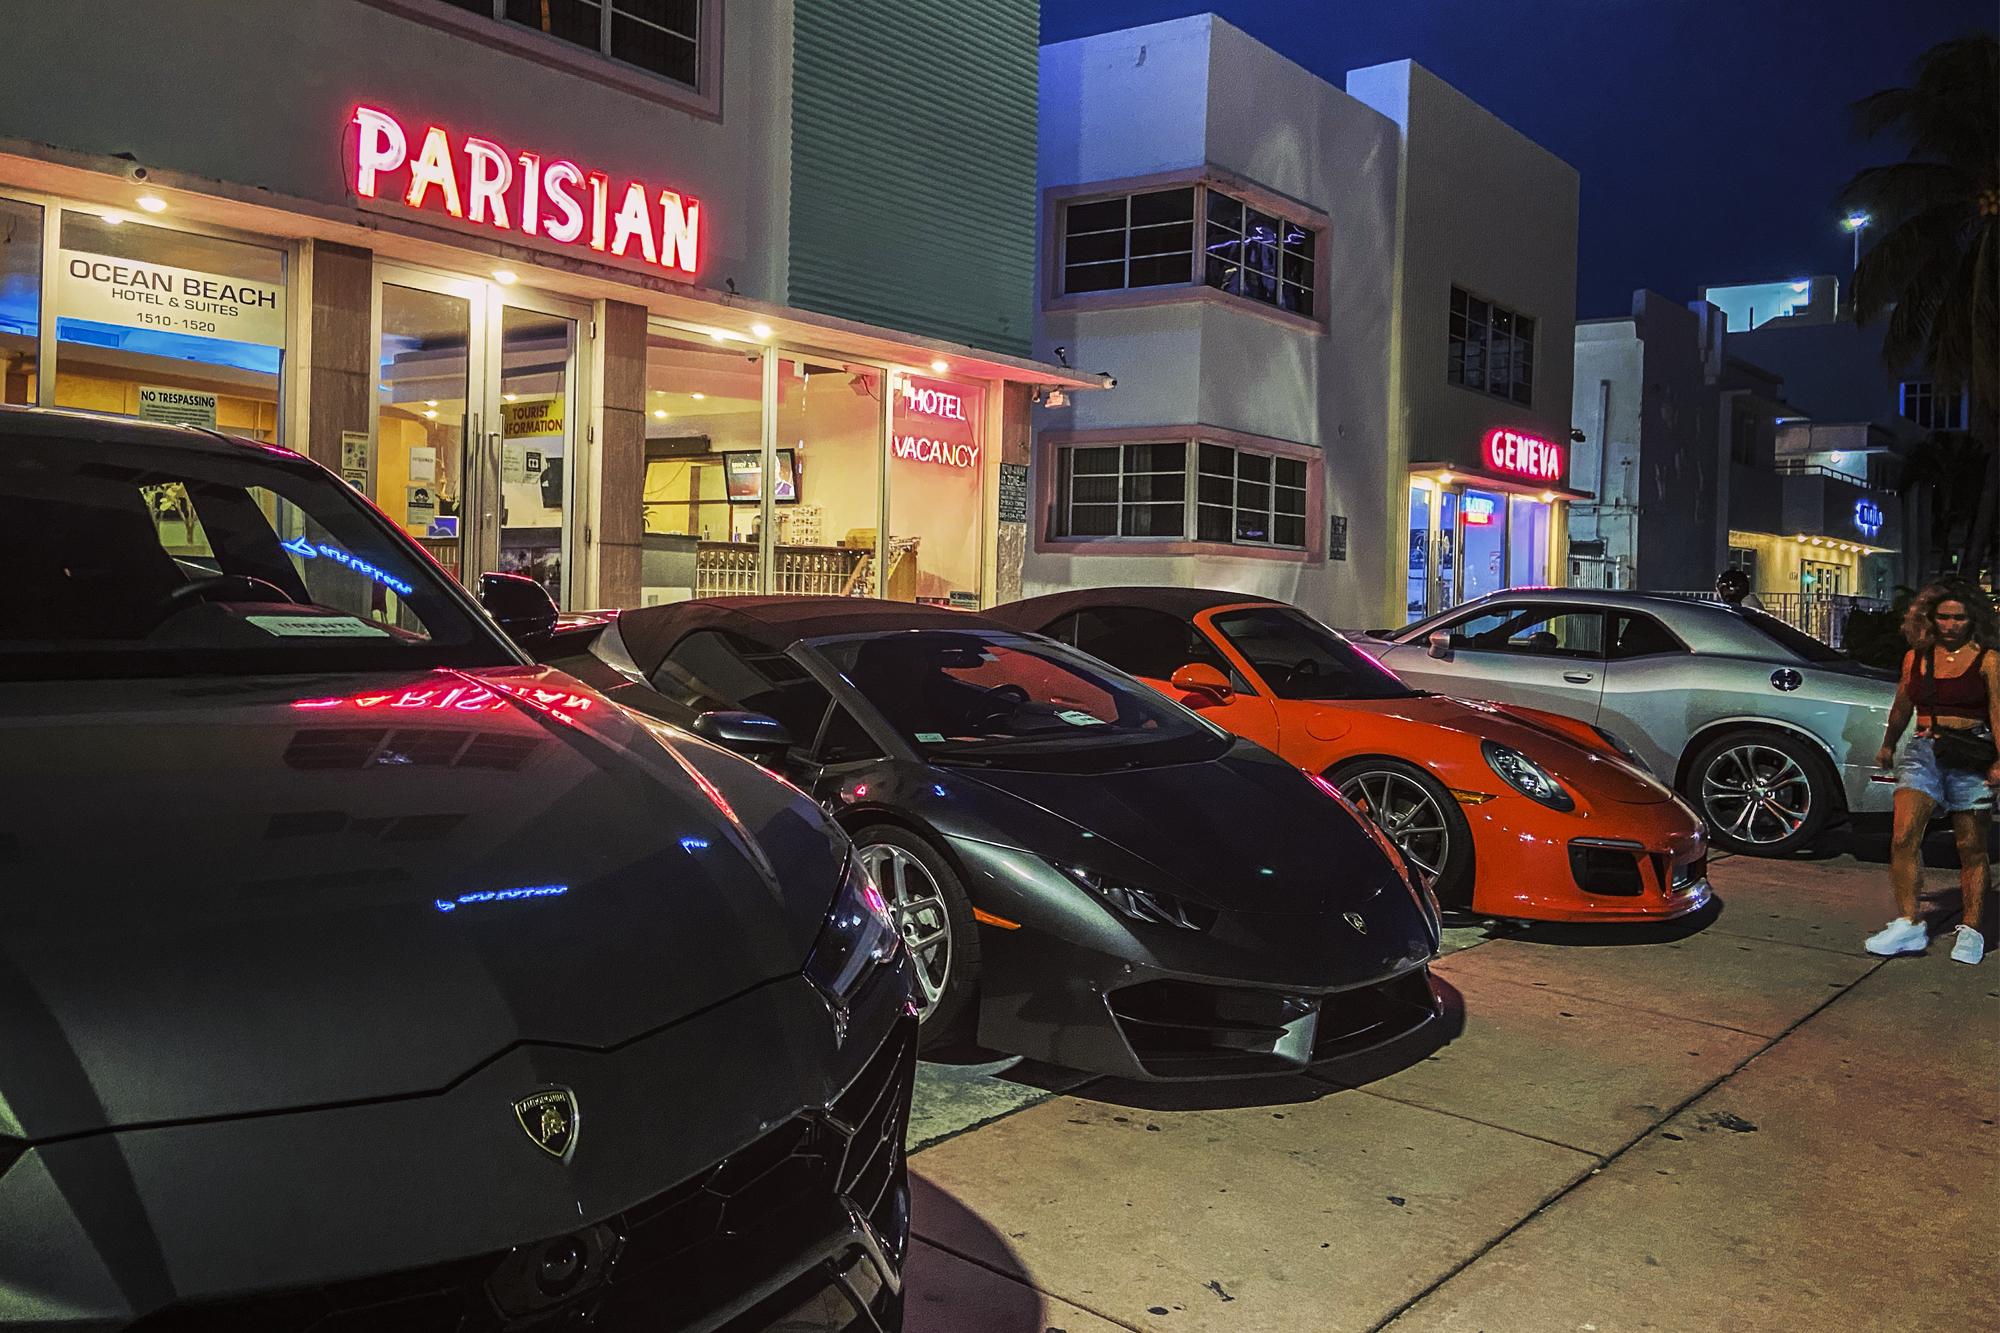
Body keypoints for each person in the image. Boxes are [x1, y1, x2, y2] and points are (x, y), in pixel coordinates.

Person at [1866, 581, 2000, 964]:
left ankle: (1972, 930)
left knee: (1971, 847)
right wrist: (1889, 744)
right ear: (1930, 617)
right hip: (1924, 751)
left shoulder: (1988, 660)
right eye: (1944, 617)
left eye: (1959, 617)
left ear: (1973, 619)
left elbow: (1998, 713)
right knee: (1903, 836)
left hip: (1971, 752)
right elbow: (1901, 706)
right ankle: (1908, 923)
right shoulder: (1917, 658)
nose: (1951, 624)